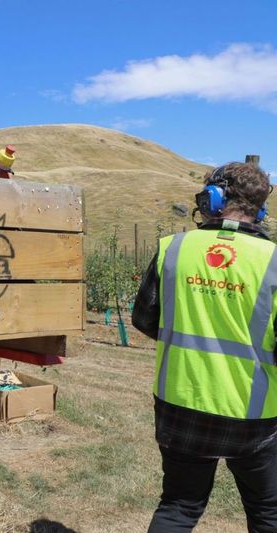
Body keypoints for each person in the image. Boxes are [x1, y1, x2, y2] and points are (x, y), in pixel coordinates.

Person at [132, 162, 277, 531]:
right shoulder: (274, 263)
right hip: (253, 416)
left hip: (180, 403)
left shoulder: (174, 248)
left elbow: (145, 319)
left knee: (179, 506)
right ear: (259, 210)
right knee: (267, 512)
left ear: (213, 198)